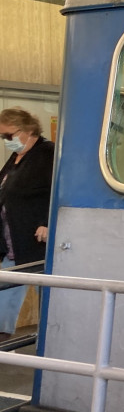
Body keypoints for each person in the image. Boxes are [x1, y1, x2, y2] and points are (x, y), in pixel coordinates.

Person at [0, 108, 54, 340]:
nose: (6, 141)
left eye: (9, 136)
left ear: (29, 130)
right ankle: (2, 333)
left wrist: (47, 222)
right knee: (6, 288)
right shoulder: (16, 157)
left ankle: (50, 339)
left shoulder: (48, 154)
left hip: (34, 238)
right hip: (9, 238)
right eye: (2, 137)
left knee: (47, 291)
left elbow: (58, 190)